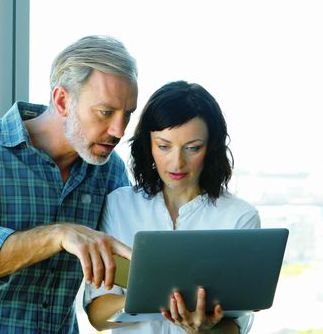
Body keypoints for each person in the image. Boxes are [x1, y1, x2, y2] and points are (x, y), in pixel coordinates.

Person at [0, 35, 139, 334]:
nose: (119, 130)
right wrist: (58, 235)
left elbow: (128, 261)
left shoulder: (109, 170)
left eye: (127, 114)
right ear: (63, 100)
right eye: (105, 112)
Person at [84, 80, 261, 334]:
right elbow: (97, 315)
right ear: (148, 145)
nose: (177, 162)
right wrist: (153, 298)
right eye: (164, 146)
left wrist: (204, 329)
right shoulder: (120, 205)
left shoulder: (239, 217)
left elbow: (237, 325)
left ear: (210, 147)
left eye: (192, 148)